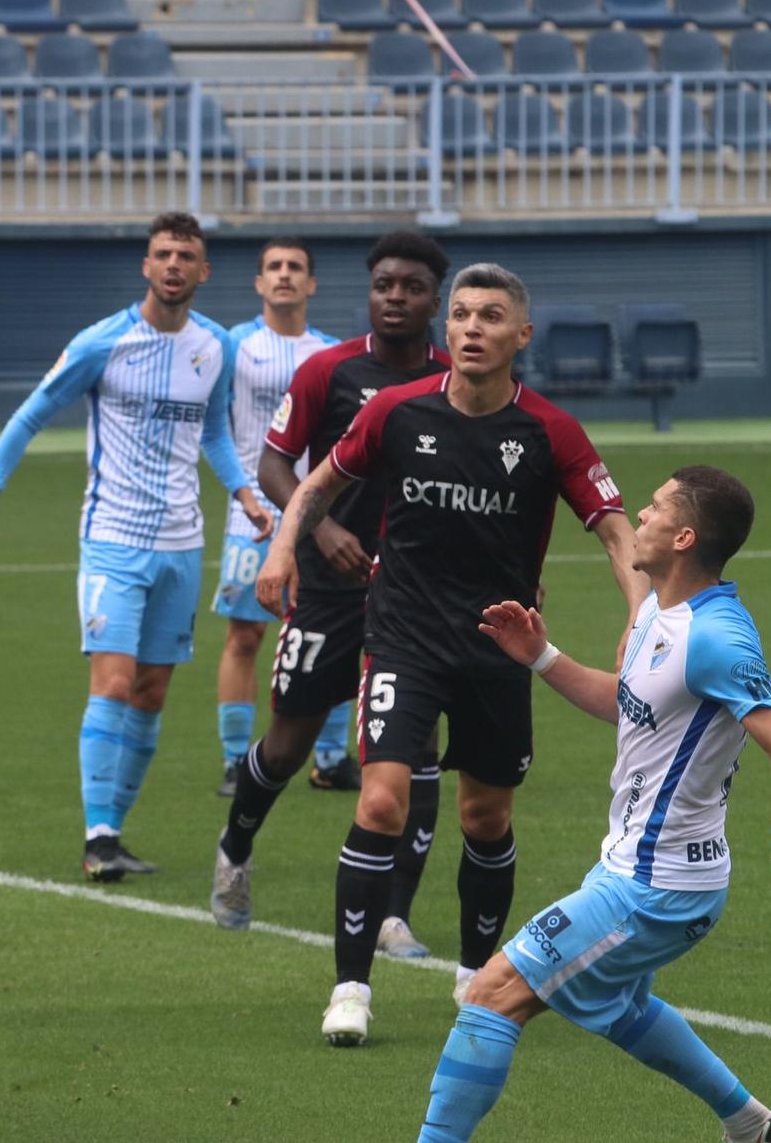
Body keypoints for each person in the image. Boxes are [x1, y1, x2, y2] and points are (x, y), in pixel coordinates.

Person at [255, 262, 644, 1048]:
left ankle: (474, 974)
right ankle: (351, 987)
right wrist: (282, 550)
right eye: (461, 314)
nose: (470, 327)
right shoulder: (398, 413)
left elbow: (615, 528)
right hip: (401, 635)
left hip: (500, 646)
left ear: (521, 336)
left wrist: (639, 617)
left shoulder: (550, 431)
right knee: (380, 802)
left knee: (484, 814)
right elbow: (313, 485)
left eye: (490, 316)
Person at [418, 466, 771, 1143]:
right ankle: (751, 1124)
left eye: (656, 507)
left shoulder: (717, 636)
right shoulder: (659, 609)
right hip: (633, 867)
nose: (642, 514)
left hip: (659, 887)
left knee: (492, 991)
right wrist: (540, 655)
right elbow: (629, 706)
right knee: (612, 1000)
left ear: (684, 536)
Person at [0, 210, 272, 882]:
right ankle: (97, 834)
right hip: (112, 540)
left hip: (183, 545)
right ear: (146, 265)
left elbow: (214, 430)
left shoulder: (215, 347)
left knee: (153, 691)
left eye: (186, 255)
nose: (174, 265)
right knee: (116, 679)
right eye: (163, 253)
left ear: (204, 270)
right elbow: (30, 413)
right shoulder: (103, 342)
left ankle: (116, 830)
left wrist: (244, 493)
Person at [211, 231, 452, 964]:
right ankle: (236, 844)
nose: (396, 298)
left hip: (420, 592)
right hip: (330, 585)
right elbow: (275, 463)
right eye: (384, 285)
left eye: (411, 287)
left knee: (418, 750)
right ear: (369, 292)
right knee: (288, 743)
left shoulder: (455, 373)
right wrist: (318, 536)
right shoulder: (329, 370)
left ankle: (392, 916)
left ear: (433, 298)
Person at [210, 237, 347, 799]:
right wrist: (240, 491)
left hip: (319, 517)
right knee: (245, 636)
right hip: (254, 517)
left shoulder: (334, 353)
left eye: (295, 268)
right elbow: (213, 425)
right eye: (274, 267)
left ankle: (333, 757)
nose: (284, 275)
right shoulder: (234, 347)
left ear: (311, 284)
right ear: (259, 283)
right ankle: (233, 758)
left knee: (333, 632)